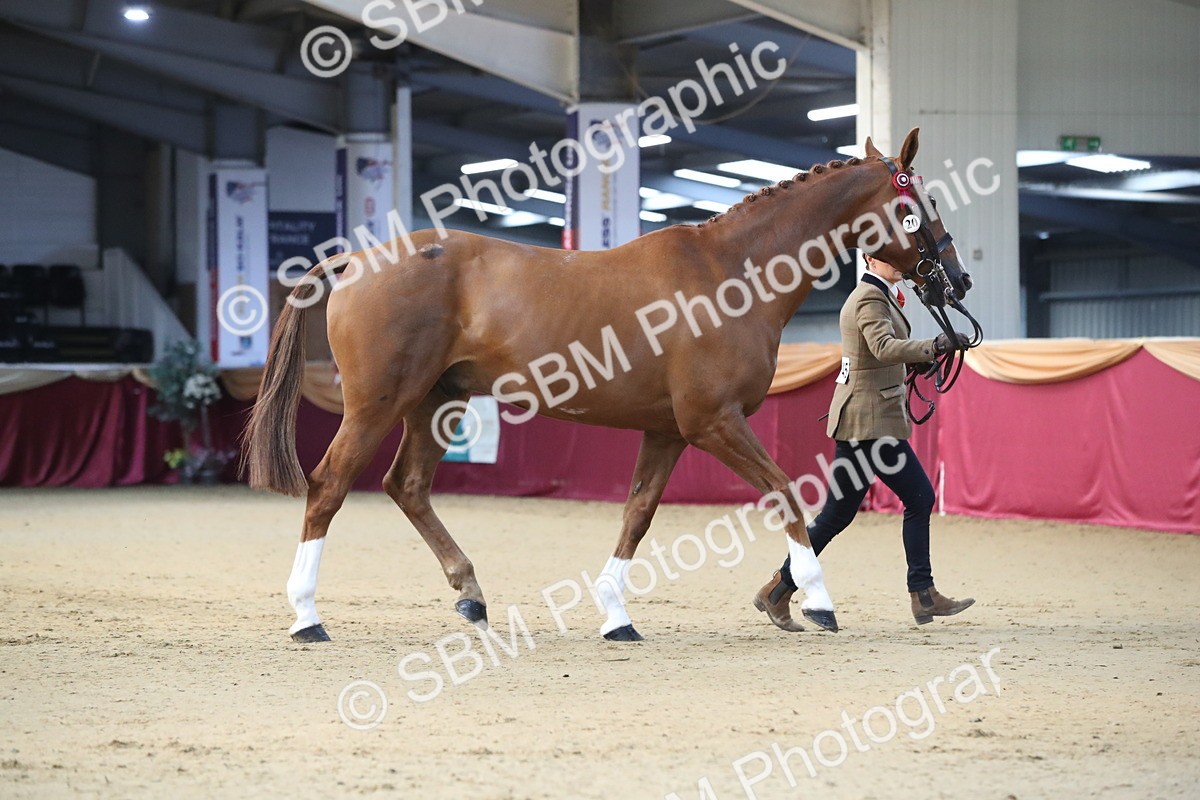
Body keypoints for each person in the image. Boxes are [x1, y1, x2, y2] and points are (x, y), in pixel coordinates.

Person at [754, 254, 975, 629]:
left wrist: (917, 363)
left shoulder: (880, 294)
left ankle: (777, 591)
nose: (899, 262)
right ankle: (922, 594)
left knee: (837, 516)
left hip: (871, 419)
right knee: (917, 498)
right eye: (889, 256)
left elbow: (881, 356)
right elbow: (883, 347)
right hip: (868, 420)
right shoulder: (869, 297)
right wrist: (932, 347)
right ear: (871, 259)